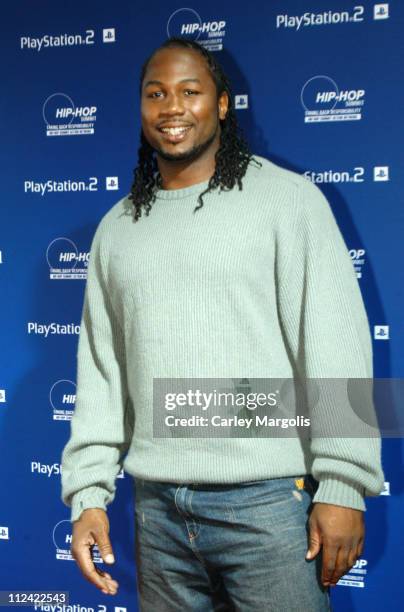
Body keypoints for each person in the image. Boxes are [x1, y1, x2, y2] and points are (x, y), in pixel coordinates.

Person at [60, 36, 385, 610]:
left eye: (191, 91)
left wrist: (343, 483)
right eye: (155, 93)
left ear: (223, 103)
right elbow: (102, 370)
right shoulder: (118, 228)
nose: (172, 108)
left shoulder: (288, 201)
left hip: (268, 507)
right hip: (157, 511)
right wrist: (88, 493)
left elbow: (334, 345)